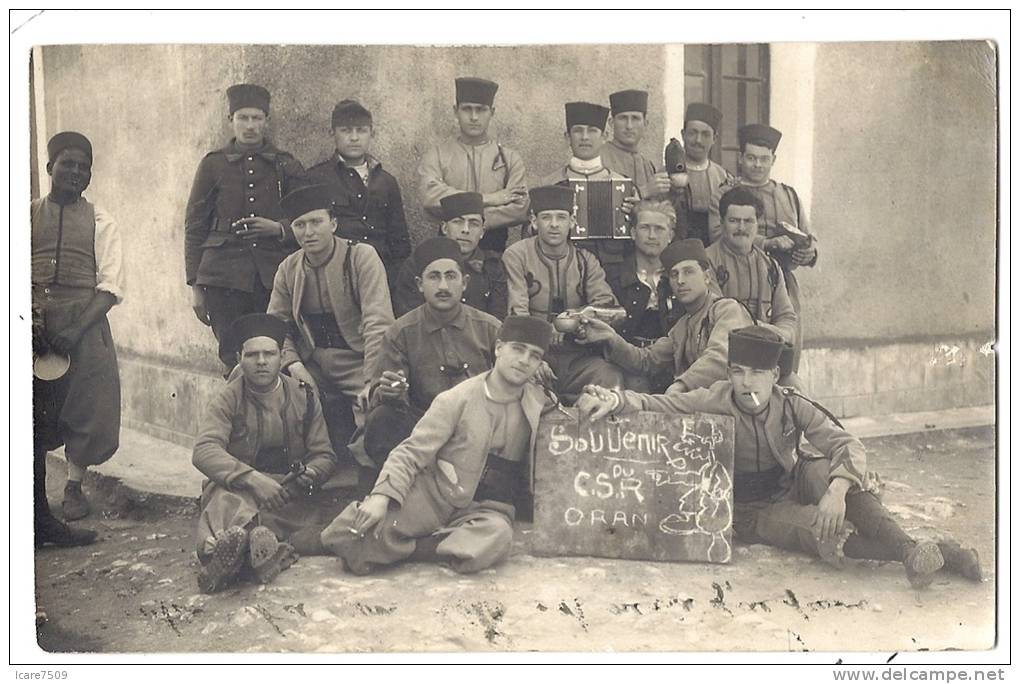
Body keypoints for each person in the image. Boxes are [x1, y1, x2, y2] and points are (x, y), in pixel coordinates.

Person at [576, 326, 983, 589]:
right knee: (820, 532)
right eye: (737, 371)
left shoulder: (790, 402)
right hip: (753, 508)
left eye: (756, 373)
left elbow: (847, 444)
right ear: (729, 374)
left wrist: (837, 490)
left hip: (792, 477)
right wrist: (614, 399)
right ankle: (937, 553)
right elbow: (659, 404)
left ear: (774, 376)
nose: (746, 382)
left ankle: (911, 550)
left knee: (832, 475)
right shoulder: (715, 399)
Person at [320, 316, 556, 575]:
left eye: (534, 356)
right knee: (350, 536)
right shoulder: (456, 399)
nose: (524, 360)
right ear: (499, 348)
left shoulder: (539, 402)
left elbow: (571, 418)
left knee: (498, 537)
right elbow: (411, 452)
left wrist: (593, 399)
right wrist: (380, 497)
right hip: (436, 495)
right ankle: (441, 544)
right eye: (517, 349)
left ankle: (414, 546)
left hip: (487, 508)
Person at [192, 314, 338, 594]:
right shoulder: (228, 397)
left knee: (299, 523)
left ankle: (246, 552)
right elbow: (204, 450)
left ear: (281, 357)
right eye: (252, 355)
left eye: (269, 354)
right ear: (239, 358)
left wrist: (311, 473)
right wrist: (253, 480)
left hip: (286, 493)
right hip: (240, 488)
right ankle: (228, 555)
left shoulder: (304, 396)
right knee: (226, 501)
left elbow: (324, 455)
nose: (261, 361)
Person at [32, 131, 126, 536]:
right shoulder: (24, 216)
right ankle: (32, 500)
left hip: (83, 323)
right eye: (66, 164)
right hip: (33, 323)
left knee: (89, 402)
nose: (74, 172)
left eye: (83, 167)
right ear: (49, 167)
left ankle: (73, 485)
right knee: (33, 408)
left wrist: (74, 329)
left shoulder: (101, 221)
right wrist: (30, 322)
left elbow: (110, 286)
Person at [266, 184, 395, 462]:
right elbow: (275, 328)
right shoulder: (288, 268)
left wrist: (372, 380)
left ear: (333, 224)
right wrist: (294, 365)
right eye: (300, 225)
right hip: (312, 361)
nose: (308, 232)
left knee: (377, 411)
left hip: (357, 360)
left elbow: (378, 322)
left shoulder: (361, 256)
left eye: (316, 222)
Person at [184, 84, 306, 371]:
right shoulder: (212, 164)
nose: (250, 126)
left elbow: (309, 215)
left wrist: (278, 229)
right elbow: (194, 225)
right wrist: (195, 286)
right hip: (222, 279)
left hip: (271, 279)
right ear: (231, 120)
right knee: (234, 359)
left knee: (272, 356)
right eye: (243, 118)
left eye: (256, 118)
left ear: (266, 121)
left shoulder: (286, 164)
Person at [364, 236, 502, 469]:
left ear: (465, 282)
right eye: (434, 277)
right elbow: (383, 389)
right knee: (382, 420)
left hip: (480, 425)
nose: (443, 287)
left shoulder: (490, 328)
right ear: (420, 284)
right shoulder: (401, 332)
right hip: (423, 425)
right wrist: (390, 391)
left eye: (451, 276)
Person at [580, 238, 754, 395]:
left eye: (688, 272)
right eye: (674, 274)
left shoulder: (727, 310)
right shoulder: (683, 325)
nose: (681, 281)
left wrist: (681, 385)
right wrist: (610, 337)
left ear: (707, 277)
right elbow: (646, 361)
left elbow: (720, 357)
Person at [710, 123, 817, 374]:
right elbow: (716, 233)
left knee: (785, 355)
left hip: (781, 282)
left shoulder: (788, 195)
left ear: (773, 160)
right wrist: (767, 243)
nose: (757, 165)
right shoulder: (725, 193)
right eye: (751, 158)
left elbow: (808, 235)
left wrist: (809, 252)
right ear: (740, 158)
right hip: (733, 276)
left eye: (764, 159)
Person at [502, 185, 625, 402]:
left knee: (609, 377)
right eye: (546, 217)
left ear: (572, 221)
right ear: (534, 221)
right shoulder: (517, 255)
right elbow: (517, 311)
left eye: (561, 217)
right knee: (524, 385)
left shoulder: (586, 260)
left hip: (577, 356)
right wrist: (533, 355)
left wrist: (577, 319)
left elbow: (609, 307)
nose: (554, 224)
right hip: (533, 351)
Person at [305, 99, 411, 289]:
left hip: (380, 275)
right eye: (346, 130)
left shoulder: (387, 182)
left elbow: (400, 242)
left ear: (372, 133)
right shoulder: (316, 178)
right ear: (332, 133)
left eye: (361, 130)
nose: (354, 138)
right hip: (334, 276)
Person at [418, 77, 529, 253]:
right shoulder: (437, 155)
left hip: (494, 247)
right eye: (467, 109)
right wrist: (490, 198)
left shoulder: (509, 159)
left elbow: (519, 208)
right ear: (456, 111)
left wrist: (463, 220)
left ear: (492, 112)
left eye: (481, 110)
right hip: (448, 248)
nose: (474, 117)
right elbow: (430, 196)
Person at [705, 186, 799, 382]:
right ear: (722, 223)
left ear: (757, 224)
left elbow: (787, 317)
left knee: (794, 388)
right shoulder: (706, 263)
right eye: (734, 221)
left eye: (748, 221)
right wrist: (765, 330)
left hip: (762, 359)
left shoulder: (770, 266)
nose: (741, 228)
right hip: (721, 360)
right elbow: (717, 318)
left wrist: (779, 334)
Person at [540, 101, 638, 285]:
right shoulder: (550, 184)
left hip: (613, 270)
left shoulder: (624, 185)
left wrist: (636, 215)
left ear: (605, 136)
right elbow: (532, 234)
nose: (585, 137)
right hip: (563, 271)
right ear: (567, 137)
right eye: (578, 130)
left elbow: (636, 241)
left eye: (592, 131)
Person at [391, 192, 507, 319]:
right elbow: (409, 317)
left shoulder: (492, 267)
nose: (466, 230)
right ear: (445, 228)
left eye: (474, 224)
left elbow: (498, 318)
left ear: (482, 232)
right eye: (458, 222)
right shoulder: (418, 263)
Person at [663, 102, 734, 246]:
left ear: (714, 138)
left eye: (705, 134)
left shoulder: (724, 178)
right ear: (683, 134)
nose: (698, 140)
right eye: (692, 133)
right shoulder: (664, 174)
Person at [601, 89, 671, 201]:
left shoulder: (647, 165)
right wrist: (644, 191)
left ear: (645, 124)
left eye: (635, 118)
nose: (629, 126)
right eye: (623, 118)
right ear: (611, 123)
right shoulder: (600, 158)